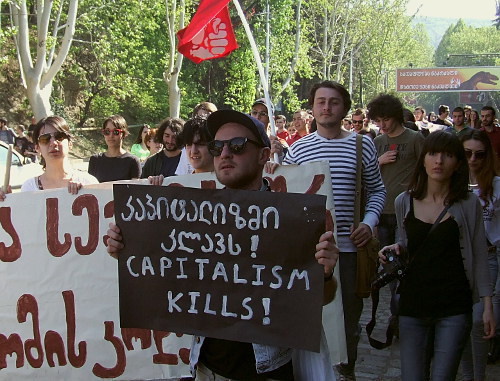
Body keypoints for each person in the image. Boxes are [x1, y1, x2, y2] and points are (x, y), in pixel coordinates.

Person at [107, 109, 339, 380]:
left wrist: (323, 274)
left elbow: (322, 298)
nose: (225, 153)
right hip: (207, 368)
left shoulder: (292, 222)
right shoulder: (195, 219)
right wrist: (129, 249)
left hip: (267, 370)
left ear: (264, 155)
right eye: (217, 146)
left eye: (237, 145)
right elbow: (167, 277)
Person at [270, 81, 386, 381]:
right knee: (307, 324)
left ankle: (344, 374)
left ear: (344, 108)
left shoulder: (363, 145)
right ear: (312, 107)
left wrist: (369, 223)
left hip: (348, 253)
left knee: (346, 327)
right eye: (320, 101)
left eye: (333, 102)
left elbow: (377, 191)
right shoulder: (298, 149)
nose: (326, 107)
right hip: (308, 255)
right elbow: (287, 199)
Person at [379, 131, 495, 381]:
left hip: (453, 305)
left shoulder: (467, 204)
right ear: (423, 159)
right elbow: (405, 242)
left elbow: (478, 253)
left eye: (448, 155)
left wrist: (487, 305)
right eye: (433, 154)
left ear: (457, 164)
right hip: (413, 304)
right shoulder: (404, 201)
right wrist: (393, 250)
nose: (439, 161)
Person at [370, 94, 424, 319]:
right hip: (382, 212)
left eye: (386, 120)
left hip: (408, 212)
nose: (382, 126)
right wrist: (378, 161)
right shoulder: (377, 142)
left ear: (395, 116)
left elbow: (425, 170)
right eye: (378, 121)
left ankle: (409, 310)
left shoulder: (415, 138)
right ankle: (396, 314)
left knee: (409, 263)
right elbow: (367, 176)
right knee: (390, 266)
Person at [460, 130, 500, 380]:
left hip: (490, 258)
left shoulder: (496, 186)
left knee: (480, 321)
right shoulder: (452, 184)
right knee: (463, 323)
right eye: (466, 153)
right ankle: (468, 375)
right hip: (460, 260)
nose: (473, 159)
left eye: (479, 154)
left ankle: (479, 375)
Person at [0, 116, 97, 199]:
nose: (53, 143)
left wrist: (86, 194)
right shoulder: (29, 188)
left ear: (70, 143)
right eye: (45, 139)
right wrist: (9, 203)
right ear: (37, 147)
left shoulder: (88, 182)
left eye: (59, 136)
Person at [88, 115, 141, 183]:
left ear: (123, 134)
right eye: (107, 132)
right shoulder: (95, 160)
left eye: (116, 132)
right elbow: (90, 187)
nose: (111, 135)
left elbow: (135, 190)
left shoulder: (132, 161)